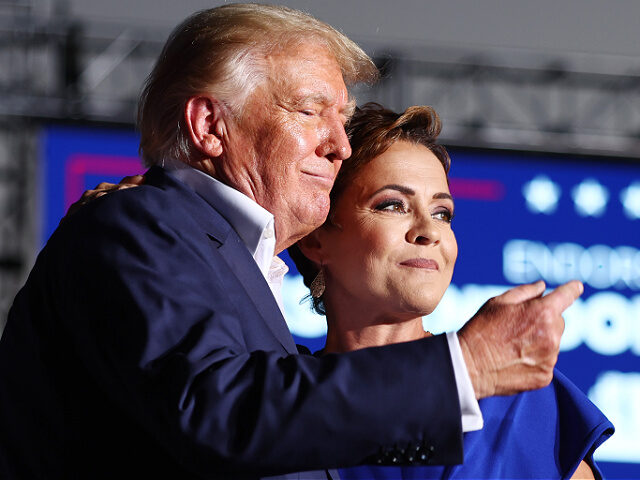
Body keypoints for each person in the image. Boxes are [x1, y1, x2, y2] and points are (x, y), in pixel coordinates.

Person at [0, 4, 583, 479]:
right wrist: (468, 366)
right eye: (311, 111)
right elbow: (220, 414)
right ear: (209, 126)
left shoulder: (225, 261)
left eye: (343, 119)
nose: (341, 145)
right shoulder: (141, 223)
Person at [289, 103, 613, 479]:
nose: (429, 230)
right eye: (393, 205)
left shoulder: (516, 392)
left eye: (443, 213)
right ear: (316, 239)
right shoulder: (277, 404)